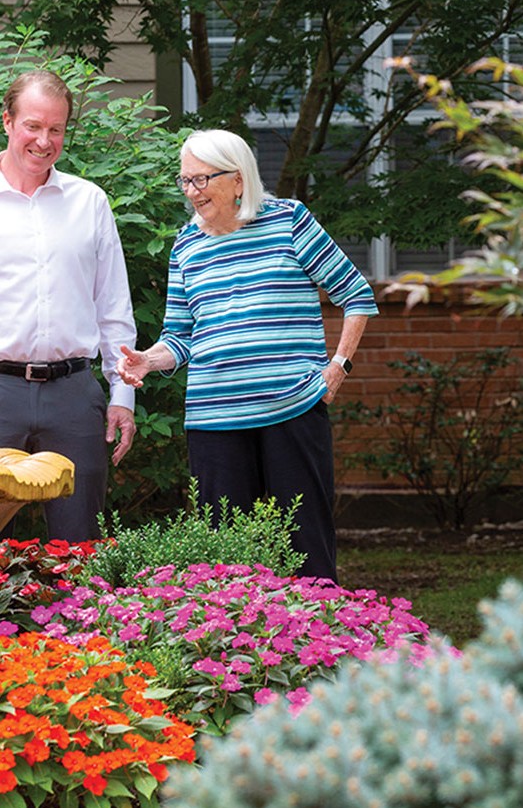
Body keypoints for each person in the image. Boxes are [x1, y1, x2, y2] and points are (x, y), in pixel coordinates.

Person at [117, 128, 378, 581]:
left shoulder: (289, 221)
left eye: (202, 179)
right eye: (186, 181)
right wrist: (147, 359)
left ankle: (320, 646)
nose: (192, 192)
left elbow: (356, 295)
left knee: (306, 548)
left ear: (238, 180)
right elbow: (180, 337)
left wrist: (338, 367)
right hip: (215, 422)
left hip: (291, 410)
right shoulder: (186, 245)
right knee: (226, 557)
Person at [0, 69, 137, 542]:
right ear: (8, 122)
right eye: (33, 126)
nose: (44, 140)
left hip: (73, 396)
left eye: (55, 129)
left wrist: (123, 396)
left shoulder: (90, 202)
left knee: (81, 549)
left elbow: (113, 309)